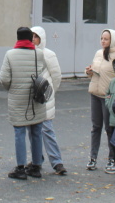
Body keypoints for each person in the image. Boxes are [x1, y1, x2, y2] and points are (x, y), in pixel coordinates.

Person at [0, 27, 47, 180]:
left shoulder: (10, 55)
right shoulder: (38, 54)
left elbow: (4, 79)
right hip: (36, 99)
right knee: (36, 132)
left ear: (18, 38)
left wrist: (12, 89)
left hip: (17, 99)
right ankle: (36, 166)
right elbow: (42, 74)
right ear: (30, 38)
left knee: (19, 132)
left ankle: (20, 168)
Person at [30, 26, 67, 176]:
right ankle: (36, 159)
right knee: (33, 130)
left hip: (45, 97)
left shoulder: (49, 54)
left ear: (41, 38)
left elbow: (56, 75)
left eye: (36, 36)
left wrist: (50, 91)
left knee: (46, 129)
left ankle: (57, 162)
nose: (33, 39)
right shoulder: (28, 53)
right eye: (31, 36)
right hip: (32, 97)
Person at [85, 29, 115, 172]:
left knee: (110, 128)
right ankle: (93, 158)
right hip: (95, 93)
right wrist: (89, 72)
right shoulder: (98, 53)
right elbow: (94, 72)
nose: (103, 41)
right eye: (102, 38)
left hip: (108, 96)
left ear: (113, 41)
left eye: (106, 39)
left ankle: (113, 158)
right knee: (96, 127)